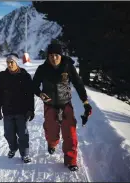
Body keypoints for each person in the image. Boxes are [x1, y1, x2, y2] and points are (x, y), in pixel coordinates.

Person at [33, 43, 92, 171]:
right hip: (50, 105)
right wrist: (40, 94)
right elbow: (34, 86)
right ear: (48, 56)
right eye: (51, 55)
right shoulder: (42, 69)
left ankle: (71, 160)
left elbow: (78, 83)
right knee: (51, 131)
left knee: (70, 132)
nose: (54, 58)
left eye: (56, 55)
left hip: (66, 104)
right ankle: (52, 143)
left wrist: (85, 102)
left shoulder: (68, 66)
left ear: (61, 55)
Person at [0, 53, 35, 163]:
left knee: (23, 134)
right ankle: (13, 148)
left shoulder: (25, 76)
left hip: (22, 111)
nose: (9, 64)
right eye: (7, 62)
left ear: (16, 63)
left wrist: (31, 110)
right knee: (8, 134)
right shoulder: (2, 76)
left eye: (11, 62)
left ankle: (25, 154)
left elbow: (30, 95)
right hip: (7, 111)